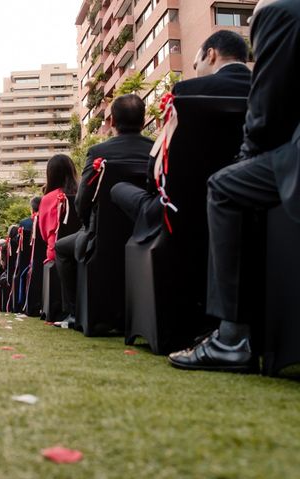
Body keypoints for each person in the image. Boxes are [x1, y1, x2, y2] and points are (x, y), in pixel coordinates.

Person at [168, 0, 300, 372]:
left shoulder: (279, 11)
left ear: (210, 55)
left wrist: (246, 160)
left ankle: (232, 336)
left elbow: (266, 116)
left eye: (195, 61)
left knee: (226, 187)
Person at [110, 32, 252, 242]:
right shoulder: (269, 87)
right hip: (257, 200)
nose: (196, 72)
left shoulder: (187, 90)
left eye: (196, 65)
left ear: (211, 55)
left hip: (185, 207)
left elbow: (159, 164)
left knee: (119, 190)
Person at [55, 94, 153, 327]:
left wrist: (89, 224)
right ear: (144, 120)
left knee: (61, 248)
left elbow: (82, 201)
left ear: (112, 122)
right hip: (149, 230)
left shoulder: (99, 152)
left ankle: (74, 313)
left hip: (103, 235)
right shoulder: (155, 149)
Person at [38, 155, 79, 264]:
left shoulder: (47, 199)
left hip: (56, 253)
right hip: (82, 249)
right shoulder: (81, 194)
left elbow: (43, 234)